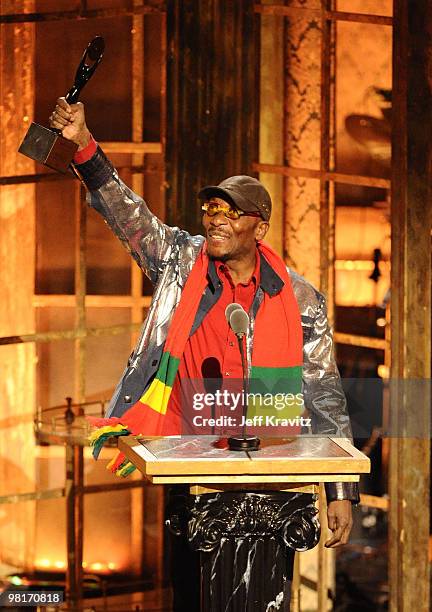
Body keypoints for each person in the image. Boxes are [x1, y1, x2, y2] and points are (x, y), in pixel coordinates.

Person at [50, 98, 359, 551]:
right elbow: (125, 213)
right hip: (192, 466)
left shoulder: (298, 298)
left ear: (260, 228)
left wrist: (340, 489)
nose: (217, 219)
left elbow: (324, 392)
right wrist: (83, 146)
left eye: (232, 213)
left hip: (273, 478)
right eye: (212, 209)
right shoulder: (180, 264)